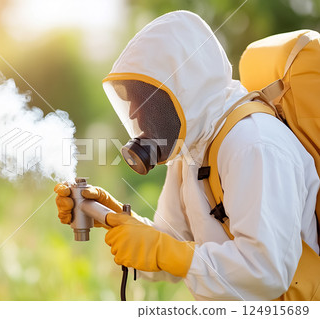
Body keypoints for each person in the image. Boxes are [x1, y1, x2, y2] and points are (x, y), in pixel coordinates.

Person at [54, 10, 319, 300]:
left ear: (183, 87)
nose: (132, 113)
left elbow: (267, 272)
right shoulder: (191, 147)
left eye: (142, 100)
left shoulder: (254, 144)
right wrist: (112, 216)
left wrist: (162, 250)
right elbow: (171, 250)